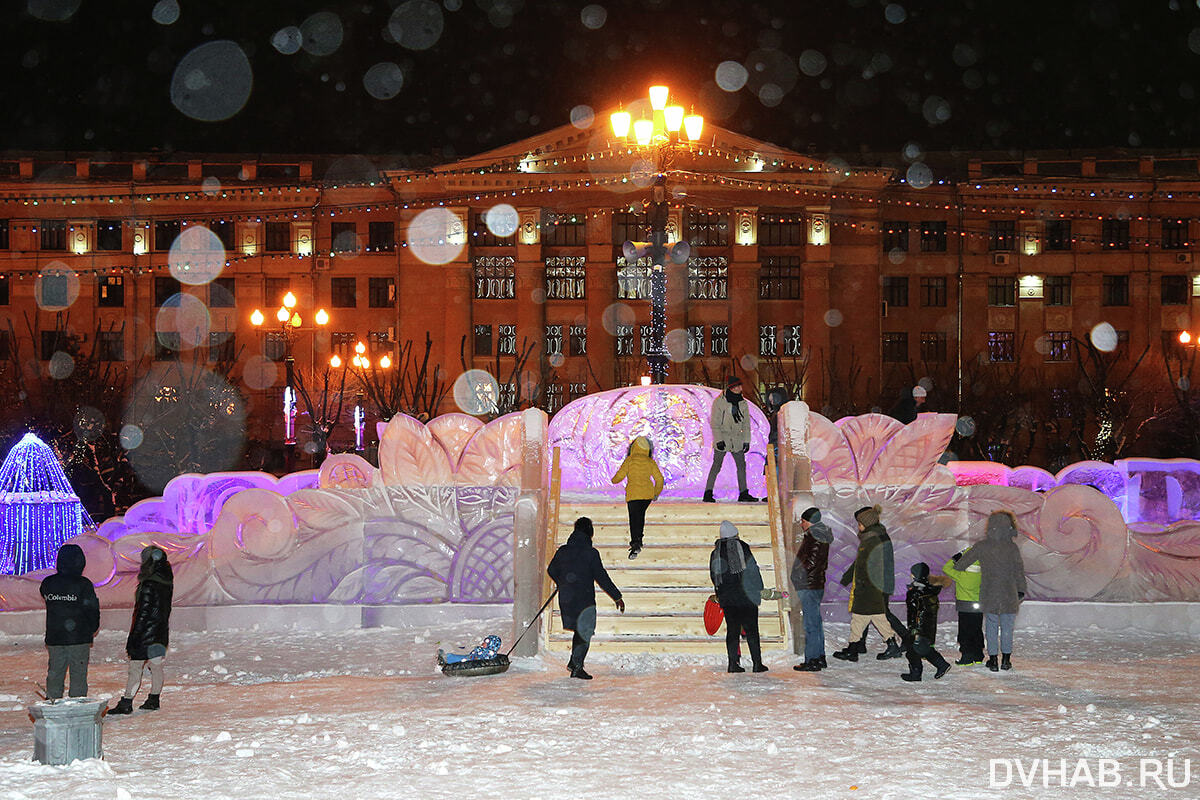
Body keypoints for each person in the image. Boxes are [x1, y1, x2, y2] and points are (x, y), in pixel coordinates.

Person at [546, 517, 624, 680]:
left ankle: (575, 663)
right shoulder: (591, 553)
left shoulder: (563, 550)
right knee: (584, 630)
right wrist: (617, 596)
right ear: (589, 531)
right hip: (584, 598)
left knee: (579, 630)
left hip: (567, 597)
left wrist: (563, 581)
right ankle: (576, 665)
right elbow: (602, 577)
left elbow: (551, 569)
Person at [832, 505, 907, 662]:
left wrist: (866, 587)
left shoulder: (874, 540)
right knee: (861, 619)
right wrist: (848, 577)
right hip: (869, 587)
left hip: (871, 588)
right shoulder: (870, 538)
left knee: (878, 617)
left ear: (867, 524)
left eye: (859, 523)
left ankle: (895, 642)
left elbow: (872, 567)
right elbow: (860, 563)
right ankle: (855, 648)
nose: (858, 526)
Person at [956, 510, 1027, 672]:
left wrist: (958, 557)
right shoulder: (1012, 548)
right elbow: (1019, 571)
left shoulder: (982, 546)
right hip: (1009, 593)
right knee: (1008, 628)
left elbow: (960, 565)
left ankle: (993, 660)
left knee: (991, 627)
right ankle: (1006, 661)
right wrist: (1021, 590)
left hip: (989, 593)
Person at [109, 546, 173, 714]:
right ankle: (154, 699)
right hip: (160, 632)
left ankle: (127, 702)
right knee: (156, 667)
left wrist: (134, 636)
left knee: (135, 668)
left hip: (145, 634)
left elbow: (142, 614)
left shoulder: (148, 583)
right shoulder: (166, 581)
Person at [39, 543, 101, 700]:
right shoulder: (83, 584)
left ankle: (52, 707)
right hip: (79, 638)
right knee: (78, 676)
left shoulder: (48, 583)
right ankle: (77, 710)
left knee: (55, 674)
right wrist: (91, 628)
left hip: (55, 637)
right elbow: (92, 610)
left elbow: (45, 594)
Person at [710, 521, 767, 673]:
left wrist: (720, 593)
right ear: (735, 534)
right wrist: (759, 588)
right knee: (752, 630)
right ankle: (757, 664)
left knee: (732, 631)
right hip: (746, 595)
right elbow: (752, 569)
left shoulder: (715, 552)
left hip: (728, 598)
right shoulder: (742, 547)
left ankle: (733, 664)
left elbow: (714, 576)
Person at [703, 376, 759, 503]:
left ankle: (743, 492)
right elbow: (715, 422)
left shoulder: (742, 402)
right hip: (723, 436)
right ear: (731, 388)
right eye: (736, 386)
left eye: (740, 386)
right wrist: (718, 440)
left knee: (741, 465)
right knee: (716, 465)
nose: (739, 388)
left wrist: (746, 440)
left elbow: (746, 423)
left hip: (737, 439)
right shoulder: (720, 402)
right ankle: (708, 492)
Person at [791, 506, 832, 672]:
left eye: (803, 521)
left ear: (810, 521)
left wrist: (798, 574)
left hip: (808, 584)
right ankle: (819, 657)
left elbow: (812, 562)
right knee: (816, 623)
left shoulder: (814, 536)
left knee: (811, 625)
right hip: (815, 584)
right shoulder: (820, 534)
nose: (801, 524)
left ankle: (812, 660)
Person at [610, 435, 665, 559]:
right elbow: (659, 479)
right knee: (640, 516)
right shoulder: (650, 461)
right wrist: (656, 493)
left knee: (634, 518)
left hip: (633, 493)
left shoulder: (630, 460)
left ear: (633, 447)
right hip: (647, 494)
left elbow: (620, 475)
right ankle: (637, 541)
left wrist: (613, 480)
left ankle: (636, 543)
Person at [900, 563, 952, 681]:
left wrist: (913, 628)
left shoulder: (915, 593)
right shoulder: (930, 590)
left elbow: (913, 613)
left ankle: (918, 673)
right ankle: (939, 665)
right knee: (922, 648)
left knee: (914, 650)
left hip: (918, 627)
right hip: (928, 627)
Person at [942, 550, 985, 665]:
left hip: (965, 608)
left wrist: (956, 557)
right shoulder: (982, 575)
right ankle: (978, 656)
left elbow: (946, 568)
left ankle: (967, 657)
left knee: (965, 632)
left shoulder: (961, 575)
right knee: (977, 630)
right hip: (978, 607)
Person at [438, 635, 502, 665]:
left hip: (472, 661)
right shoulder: (487, 651)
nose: (483, 643)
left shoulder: (488, 653)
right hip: (471, 657)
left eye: (485, 642)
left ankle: (446, 659)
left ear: (491, 645)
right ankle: (447, 656)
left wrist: (478, 650)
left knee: (459, 659)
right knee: (460, 656)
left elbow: (484, 658)